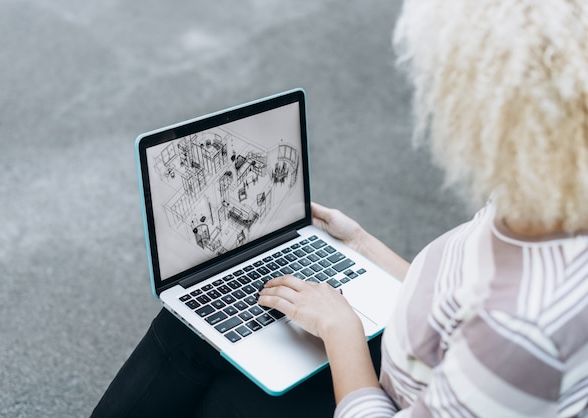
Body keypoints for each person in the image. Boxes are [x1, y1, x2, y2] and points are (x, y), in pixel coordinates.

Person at [92, 0, 588, 416]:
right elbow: (454, 304)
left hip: (386, 396)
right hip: (406, 363)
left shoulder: (522, 333)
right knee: (200, 324)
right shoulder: (543, 197)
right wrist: (359, 242)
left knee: (196, 352)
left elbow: (487, 329)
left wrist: (341, 331)